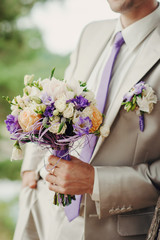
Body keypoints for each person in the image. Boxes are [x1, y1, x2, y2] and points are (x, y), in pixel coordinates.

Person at [14, 0, 160, 239]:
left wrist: (96, 182)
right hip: (44, 214)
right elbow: (57, 98)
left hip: (115, 229)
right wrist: (31, 166)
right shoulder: (91, 32)